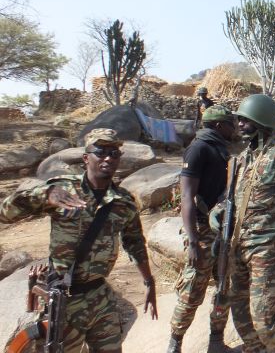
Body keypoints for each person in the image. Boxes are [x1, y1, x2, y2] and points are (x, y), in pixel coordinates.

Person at [1, 128, 158, 353]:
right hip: (65, 297)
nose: (108, 158)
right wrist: (44, 194)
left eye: (114, 153)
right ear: (86, 158)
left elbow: (134, 243)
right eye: (101, 151)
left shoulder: (124, 202)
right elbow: (5, 214)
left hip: (100, 297)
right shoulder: (62, 189)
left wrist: (149, 282)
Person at [211, 94, 275, 353]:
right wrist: (218, 211)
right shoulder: (242, 159)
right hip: (237, 247)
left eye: (246, 121)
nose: (240, 125)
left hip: (265, 247)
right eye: (239, 120)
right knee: (241, 316)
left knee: (265, 320)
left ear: (262, 122)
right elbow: (234, 198)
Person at [168, 105, 255, 353]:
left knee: (223, 288)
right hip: (202, 232)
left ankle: (216, 342)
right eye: (230, 123)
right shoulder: (198, 148)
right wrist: (193, 242)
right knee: (192, 290)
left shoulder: (221, 147)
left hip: (223, 230)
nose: (235, 127)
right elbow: (187, 197)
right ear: (218, 126)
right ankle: (175, 343)